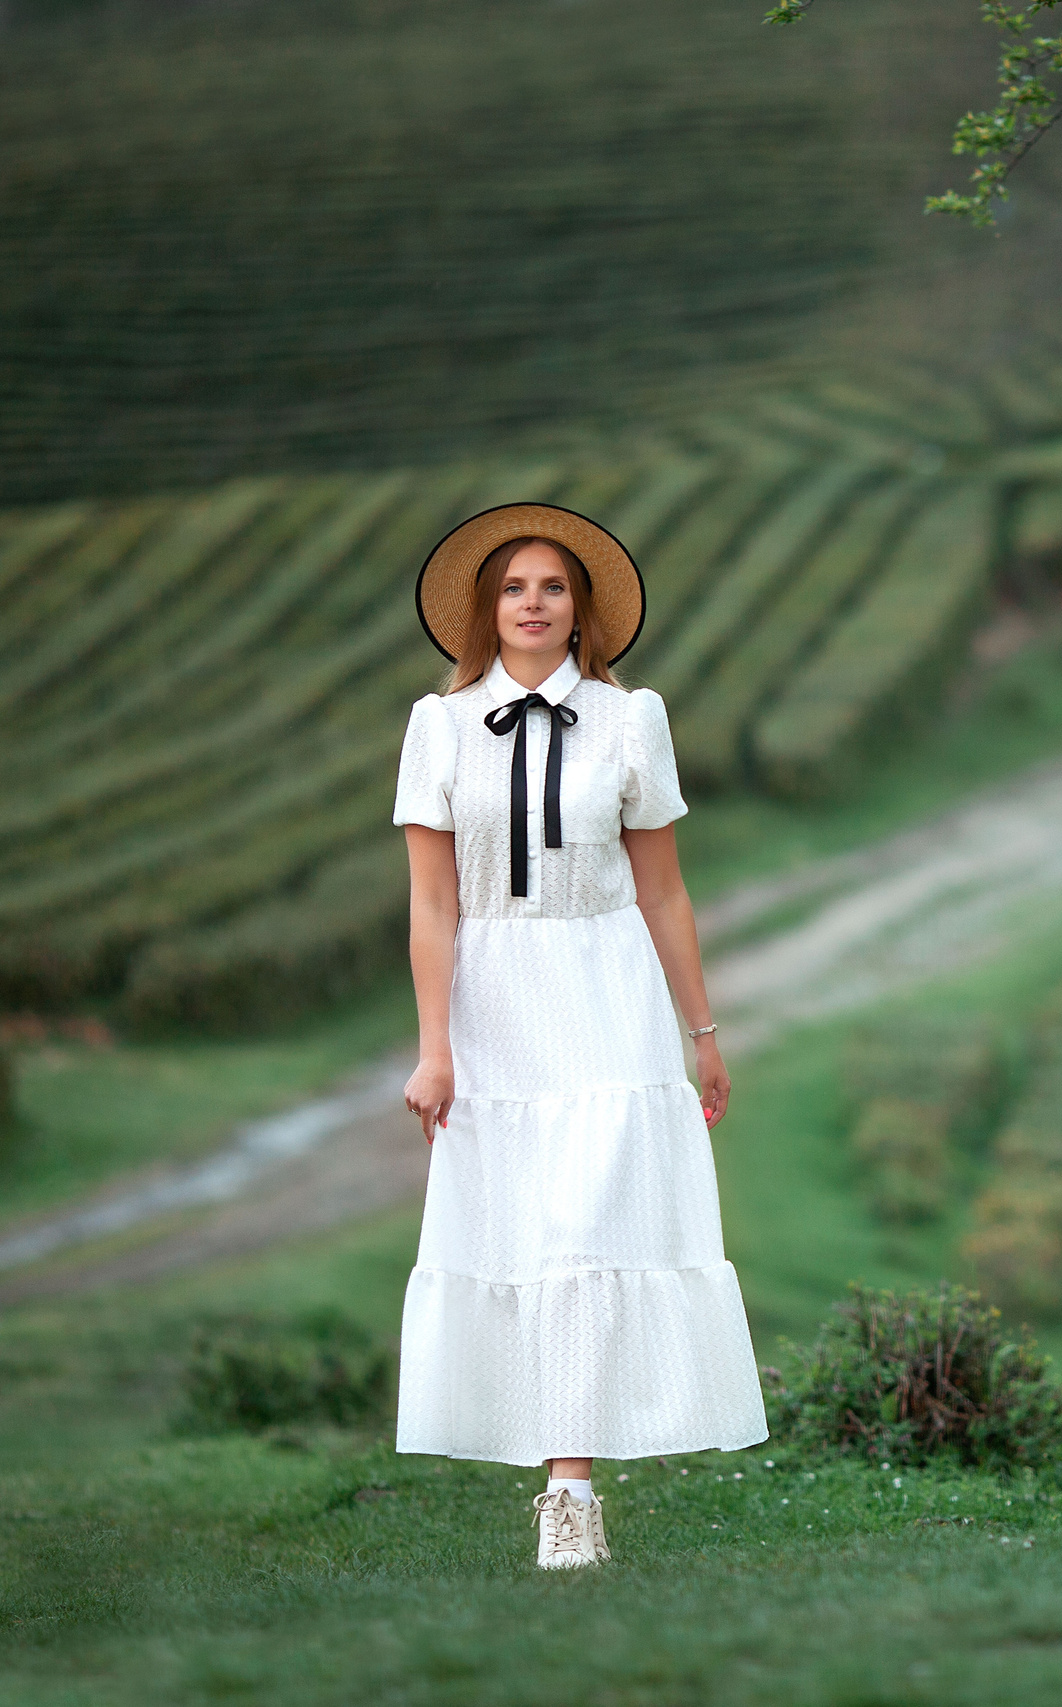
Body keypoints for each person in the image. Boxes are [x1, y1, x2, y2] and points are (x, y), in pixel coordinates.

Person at [391, 503, 767, 1569]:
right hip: (495, 998)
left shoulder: (629, 718)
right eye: (514, 587)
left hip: (607, 994)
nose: (533, 603)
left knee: (587, 1228)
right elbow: (431, 905)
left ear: (581, 608)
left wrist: (701, 1032)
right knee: (526, 1233)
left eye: (552, 586)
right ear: (485, 608)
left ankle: (570, 1491)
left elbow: (665, 893)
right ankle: (556, 1468)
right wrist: (433, 1048)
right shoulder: (439, 727)